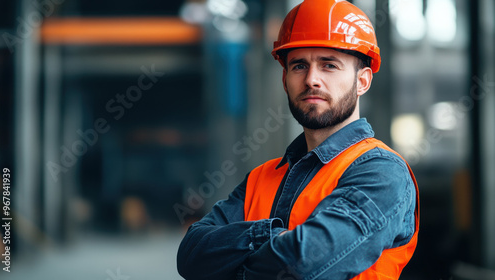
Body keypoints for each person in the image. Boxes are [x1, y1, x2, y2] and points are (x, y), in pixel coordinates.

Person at [177, 0, 419, 279]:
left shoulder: (382, 173)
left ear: (362, 81)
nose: (311, 79)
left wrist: (235, 262)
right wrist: (273, 236)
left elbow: (305, 264)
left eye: (329, 65)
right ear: (285, 80)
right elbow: (192, 254)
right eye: (299, 66)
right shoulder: (261, 177)